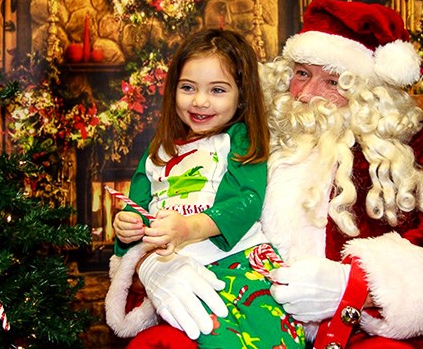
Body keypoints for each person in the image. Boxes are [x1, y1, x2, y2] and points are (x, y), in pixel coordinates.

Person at [106, 0, 423, 349]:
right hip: (239, 313)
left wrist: (357, 286)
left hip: (360, 332)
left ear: (372, 92)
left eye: (333, 81)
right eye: (301, 74)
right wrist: (154, 266)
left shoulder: (417, 142)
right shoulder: (246, 134)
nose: (307, 94)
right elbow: (172, 202)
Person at [105, 28, 305, 348]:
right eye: (188, 87)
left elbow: (248, 201)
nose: (199, 101)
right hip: (181, 270)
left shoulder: (238, 139)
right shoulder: (158, 151)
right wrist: (126, 227)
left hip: (241, 260)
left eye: (217, 90)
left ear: (242, 94)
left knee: (274, 340)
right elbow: (139, 208)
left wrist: (188, 227)